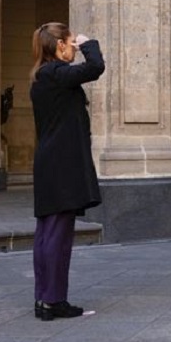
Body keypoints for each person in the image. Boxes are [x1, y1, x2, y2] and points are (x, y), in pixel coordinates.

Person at [30, 22, 105, 320]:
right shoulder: (56, 74)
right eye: (70, 42)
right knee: (58, 236)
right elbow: (95, 67)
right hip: (61, 165)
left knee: (47, 233)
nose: (74, 47)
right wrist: (89, 43)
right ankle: (53, 300)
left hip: (49, 163)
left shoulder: (41, 76)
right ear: (59, 45)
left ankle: (43, 298)